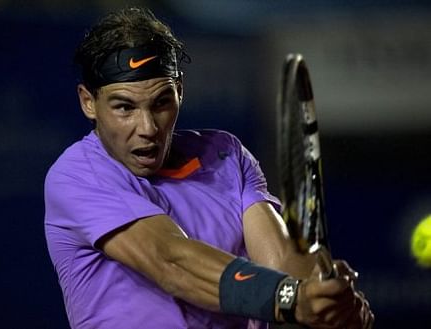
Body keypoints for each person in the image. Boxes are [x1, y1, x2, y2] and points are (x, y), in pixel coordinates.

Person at [44, 7, 374, 329]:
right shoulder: (76, 176)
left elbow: (281, 268)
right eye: (124, 107)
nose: (147, 127)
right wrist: (291, 298)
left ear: (180, 91)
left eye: (161, 102)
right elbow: (172, 262)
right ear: (89, 102)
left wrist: (322, 298)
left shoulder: (226, 155)